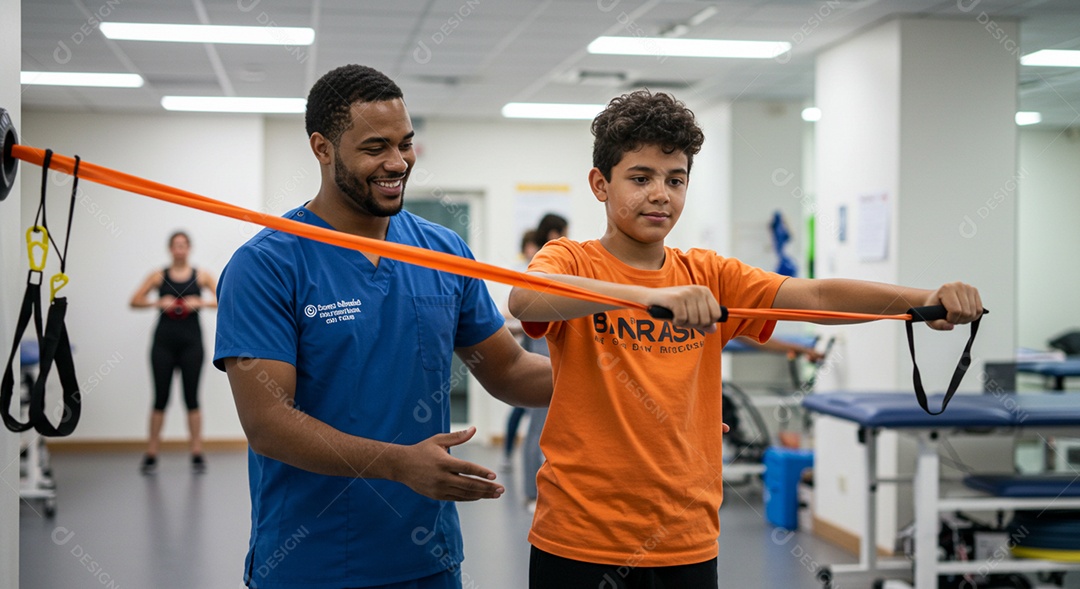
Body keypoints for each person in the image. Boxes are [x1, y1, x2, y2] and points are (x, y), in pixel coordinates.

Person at [507, 89, 983, 588]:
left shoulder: (709, 274)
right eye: (640, 178)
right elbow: (527, 300)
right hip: (579, 538)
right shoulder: (569, 260)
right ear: (600, 184)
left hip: (684, 538)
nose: (660, 195)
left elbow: (817, 296)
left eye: (676, 180)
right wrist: (643, 297)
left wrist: (923, 301)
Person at [213, 64, 552, 589]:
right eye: (375, 148)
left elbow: (509, 371)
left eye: (406, 144)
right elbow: (267, 422)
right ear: (322, 148)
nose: (398, 163)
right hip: (312, 561)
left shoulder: (443, 252)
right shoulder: (267, 264)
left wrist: (637, 382)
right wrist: (398, 464)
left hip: (428, 557)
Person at [129, 231, 217, 474]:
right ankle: (152, 453)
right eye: (176, 246)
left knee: (192, 399)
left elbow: (225, 299)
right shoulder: (158, 276)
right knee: (160, 398)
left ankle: (197, 452)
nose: (180, 249)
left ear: (189, 248)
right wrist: (158, 303)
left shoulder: (201, 276)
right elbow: (134, 301)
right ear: (170, 249)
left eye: (183, 245)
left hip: (192, 345)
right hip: (163, 345)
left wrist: (201, 303)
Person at [520, 216, 567, 511]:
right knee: (537, 426)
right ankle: (530, 493)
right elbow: (524, 302)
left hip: (548, 349)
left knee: (545, 427)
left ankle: (540, 491)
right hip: (541, 349)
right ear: (553, 233)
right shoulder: (545, 263)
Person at [501, 230, 539, 469]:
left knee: (534, 411)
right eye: (529, 246)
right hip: (527, 344)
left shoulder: (547, 271)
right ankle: (507, 454)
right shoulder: (522, 273)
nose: (531, 250)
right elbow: (507, 311)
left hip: (539, 345)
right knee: (519, 409)